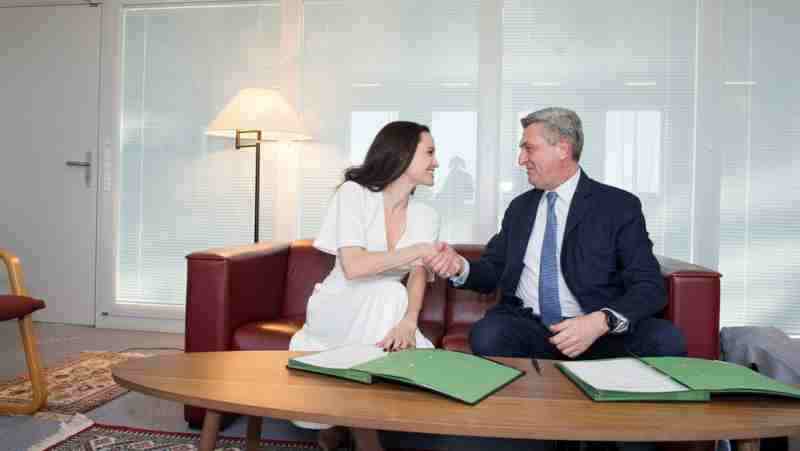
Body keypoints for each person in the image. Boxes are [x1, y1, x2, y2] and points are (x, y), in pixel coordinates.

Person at [423, 107, 686, 362]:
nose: (521, 160)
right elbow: (493, 270)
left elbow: (649, 286)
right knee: (488, 335)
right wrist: (460, 267)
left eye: (529, 148)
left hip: (597, 332)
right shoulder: (520, 208)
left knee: (666, 339)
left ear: (563, 148)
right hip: (532, 328)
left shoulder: (618, 206)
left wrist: (599, 321)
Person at [289, 121, 441, 451]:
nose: (437, 162)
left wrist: (409, 321)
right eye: (429, 152)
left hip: (386, 307)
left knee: (389, 294)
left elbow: (418, 274)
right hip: (337, 302)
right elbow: (354, 267)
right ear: (402, 154)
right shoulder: (354, 194)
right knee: (388, 292)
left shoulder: (426, 214)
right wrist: (417, 251)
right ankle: (367, 438)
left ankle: (349, 422)